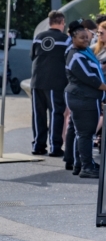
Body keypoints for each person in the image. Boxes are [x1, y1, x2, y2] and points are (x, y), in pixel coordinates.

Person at [64, 20, 106, 178]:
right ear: (73, 38)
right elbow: (90, 78)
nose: (86, 40)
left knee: (83, 133)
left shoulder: (84, 52)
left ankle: (81, 164)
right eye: (81, 38)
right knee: (85, 134)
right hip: (82, 98)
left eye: (87, 37)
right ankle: (86, 167)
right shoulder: (76, 56)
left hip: (86, 98)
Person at [30, 10, 70, 157]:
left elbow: (32, 56)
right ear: (61, 23)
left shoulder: (38, 37)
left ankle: (38, 145)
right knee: (56, 113)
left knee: (38, 113)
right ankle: (55, 146)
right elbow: (68, 59)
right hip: (56, 81)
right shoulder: (66, 40)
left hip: (37, 80)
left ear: (49, 22)